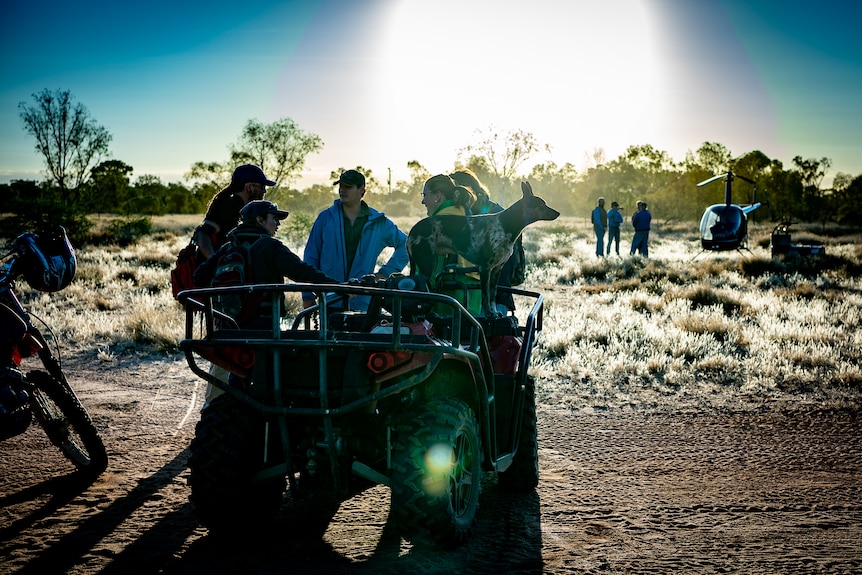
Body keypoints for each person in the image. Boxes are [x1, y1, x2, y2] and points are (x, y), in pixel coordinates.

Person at [194, 200, 338, 405]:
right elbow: (301, 271)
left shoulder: (228, 248)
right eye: (274, 218)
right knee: (268, 380)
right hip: (262, 328)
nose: (278, 223)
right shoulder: (269, 246)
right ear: (259, 220)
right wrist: (336, 286)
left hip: (229, 327)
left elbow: (200, 276)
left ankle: (220, 419)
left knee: (235, 377)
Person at [302, 169, 408, 312]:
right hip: (330, 301)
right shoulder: (325, 218)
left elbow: (406, 245)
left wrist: (385, 273)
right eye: (341, 186)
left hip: (363, 303)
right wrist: (307, 295)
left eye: (348, 187)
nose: (342, 190)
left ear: (362, 191)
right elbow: (311, 257)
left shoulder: (378, 222)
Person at [450, 168, 522, 314]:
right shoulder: (466, 214)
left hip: (492, 294)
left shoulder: (497, 217)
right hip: (477, 295)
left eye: (455, 192)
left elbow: (509, 258)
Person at [418, 174, 482, 315]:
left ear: (438, 196)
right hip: (473, 294)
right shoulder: (464, 213)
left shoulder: (441, 221)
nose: (423, 201)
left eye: (424, 195)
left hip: (449, 296)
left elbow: (433, 268)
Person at [193, 164, 274, 260]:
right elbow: (202, 234)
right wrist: (214, 260)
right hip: (213, 273)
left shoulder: (241, 207)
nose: (264, 191)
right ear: (249, 187)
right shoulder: (230, 206)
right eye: (262, 186)